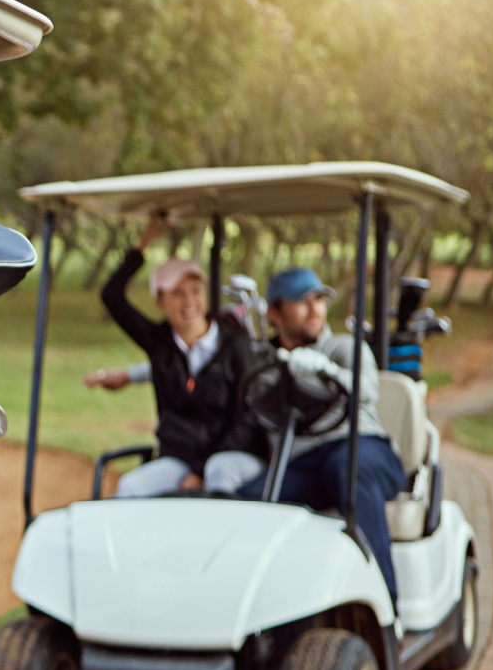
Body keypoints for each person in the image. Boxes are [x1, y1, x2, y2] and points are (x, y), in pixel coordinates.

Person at [237, 268, 406, 604]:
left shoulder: (343, 347)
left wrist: (326, 370)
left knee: (345, 468)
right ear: (275, 313)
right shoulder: (267, 364)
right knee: (249, 499)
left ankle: (386, 605)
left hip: (364, 449)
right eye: (301, 301)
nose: (314, 308)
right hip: (305, 463)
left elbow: (368, 389)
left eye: (318, 299)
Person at [99, 217, 266, 496]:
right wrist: (142, 245)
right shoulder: (159, 344)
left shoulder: (235, 343)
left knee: (218, 474)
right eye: (177, 293)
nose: (189, 302)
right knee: (129, 488)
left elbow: (246, 419)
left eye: (195, 291)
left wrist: (200, 471)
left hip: (233, 456)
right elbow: (112, 295)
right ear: (159, 302)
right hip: (180, 459)